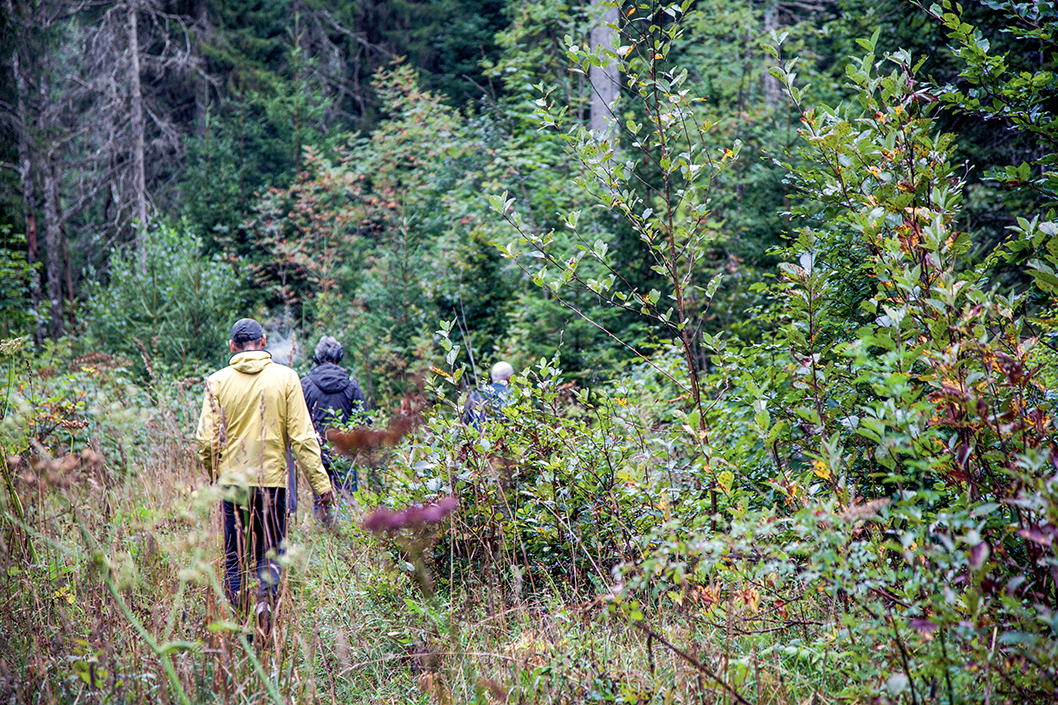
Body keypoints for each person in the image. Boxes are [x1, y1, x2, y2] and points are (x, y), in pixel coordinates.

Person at [196, 318, 334, 634]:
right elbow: (302, 437)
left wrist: (216, 474)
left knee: (234, 554)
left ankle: (236, 616)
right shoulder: (286, 378)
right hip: (272, 484)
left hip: (233, 484)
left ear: (232, 346)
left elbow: (206, 440)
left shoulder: (216, 382)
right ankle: (265, 602)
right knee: (270, 551)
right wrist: (321, 486)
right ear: (263, 341)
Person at [301, 335, 369, 520]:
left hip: (315, 453)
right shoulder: (351, 384)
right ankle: (344, 542)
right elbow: (365, 421)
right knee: (346, 500)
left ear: (316, 358)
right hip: (344, 453)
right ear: (339, 356)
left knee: (320, 502)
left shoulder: (305, 384)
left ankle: (324, 539)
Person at [462, 361, 515, 430]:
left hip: (477, 439)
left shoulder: (476, 394)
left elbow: (465, 422)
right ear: (510, 378)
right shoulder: (513, 396)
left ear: (492, 376)